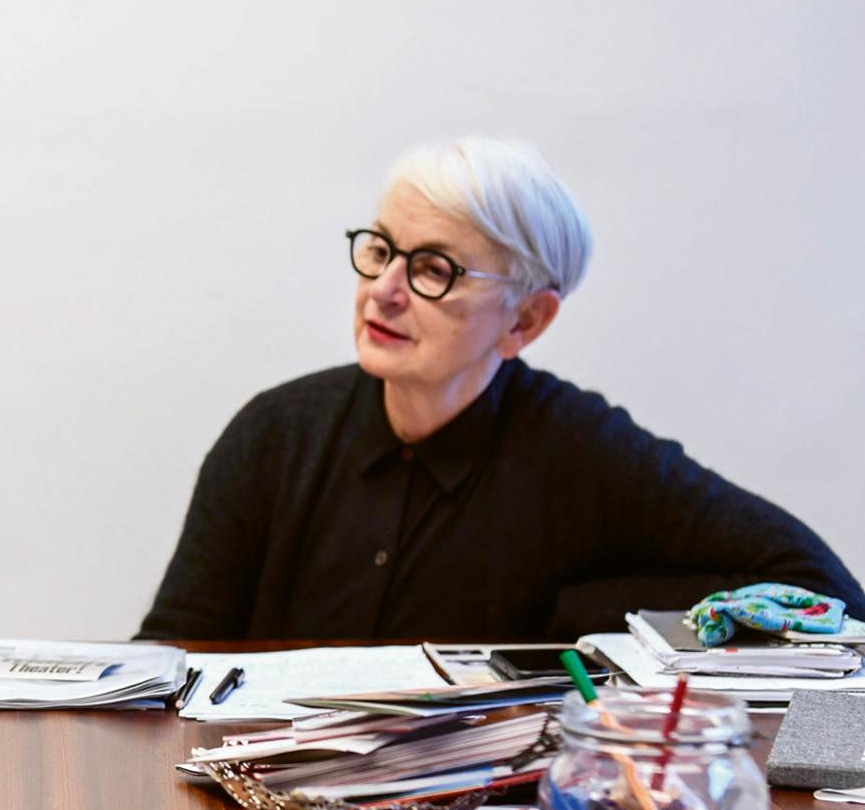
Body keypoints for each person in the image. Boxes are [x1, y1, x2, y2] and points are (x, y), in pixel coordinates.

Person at [139, 137, 862, 643]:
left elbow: (822, 593)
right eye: (382, 250)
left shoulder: (581, 450)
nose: (384, 291)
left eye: (434, 268)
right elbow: (171, 653)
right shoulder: (274, 435)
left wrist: (577, 615)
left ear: (525, 319)